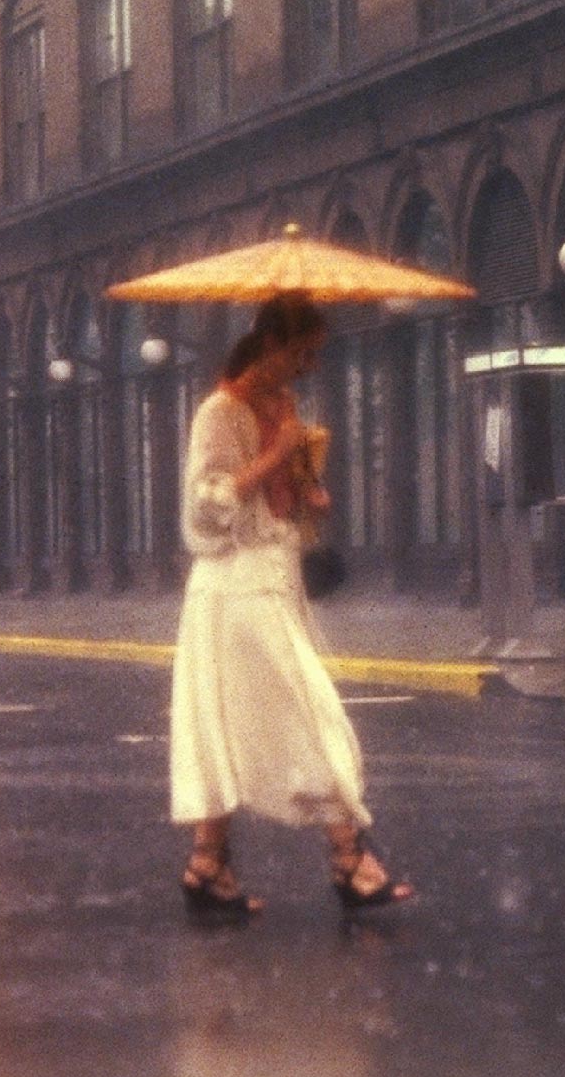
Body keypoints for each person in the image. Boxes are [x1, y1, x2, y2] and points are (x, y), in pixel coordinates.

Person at [169, 291, 415, 917]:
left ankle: (208, 862)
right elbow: (205, 505)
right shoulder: (218, 413)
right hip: (235, 584)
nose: (308, 367)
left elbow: (279, 496)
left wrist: (307, 487)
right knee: (310, 711)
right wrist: (275, 456)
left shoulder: (282, 405)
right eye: (302, 353)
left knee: (231, 718)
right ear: (271, 345)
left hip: (276, 576)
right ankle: (349, 858)